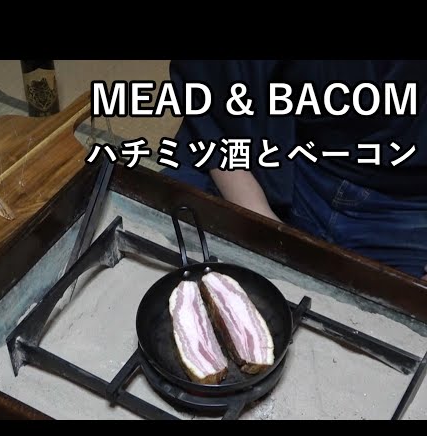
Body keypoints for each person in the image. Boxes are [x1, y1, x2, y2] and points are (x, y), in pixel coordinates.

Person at [164, 60, 427, 281]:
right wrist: (260, 222)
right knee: (164, 240)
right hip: (281, 157)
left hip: (407, 204)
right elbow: (212, 96)